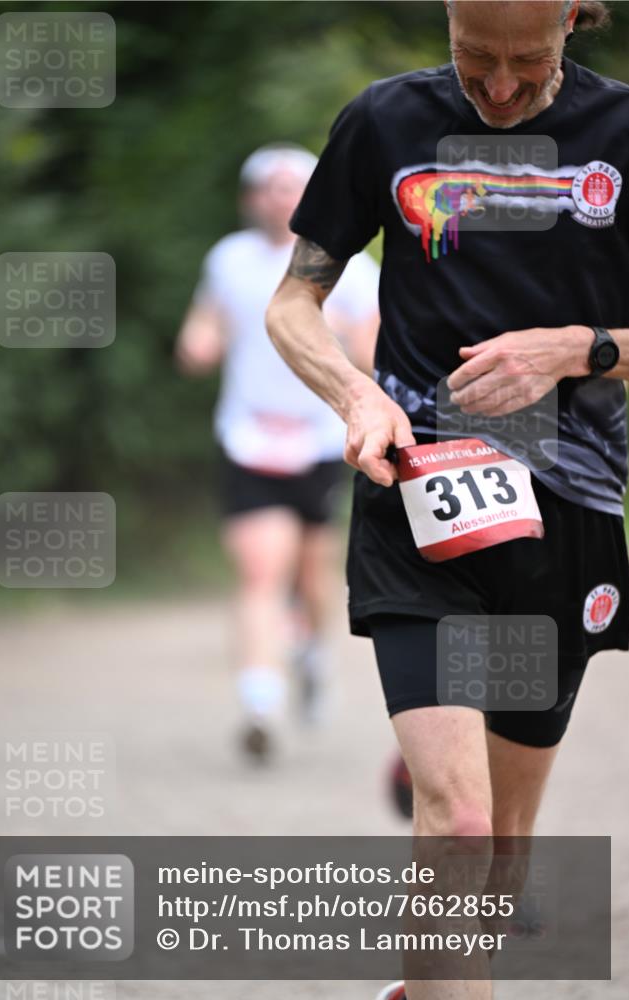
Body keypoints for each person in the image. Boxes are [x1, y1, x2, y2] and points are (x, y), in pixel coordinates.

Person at [265, 2, 629, 997]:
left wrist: (581, 348)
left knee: (498, 869)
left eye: (527, 60)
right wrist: (356, 393)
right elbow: (292, 299)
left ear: (571, 22)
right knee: (459, 827)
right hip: (420, 497)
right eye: (476, 60)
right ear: (447, 21)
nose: (501, 86)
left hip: (569, 516)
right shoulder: (383, 121)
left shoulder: (623, 131)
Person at [175, 144, 380, 761]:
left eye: (293, 187)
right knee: (260, 573)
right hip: (249, 438)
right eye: (269, 187)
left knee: (309, 577)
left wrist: (335, 331)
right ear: (250, 199)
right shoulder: (229, 259)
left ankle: (314, 659)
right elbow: (206, 323)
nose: (280, 197)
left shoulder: (346, 265)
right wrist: (198, 343)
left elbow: (373, 358)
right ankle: (260, 704)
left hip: (320, 441)